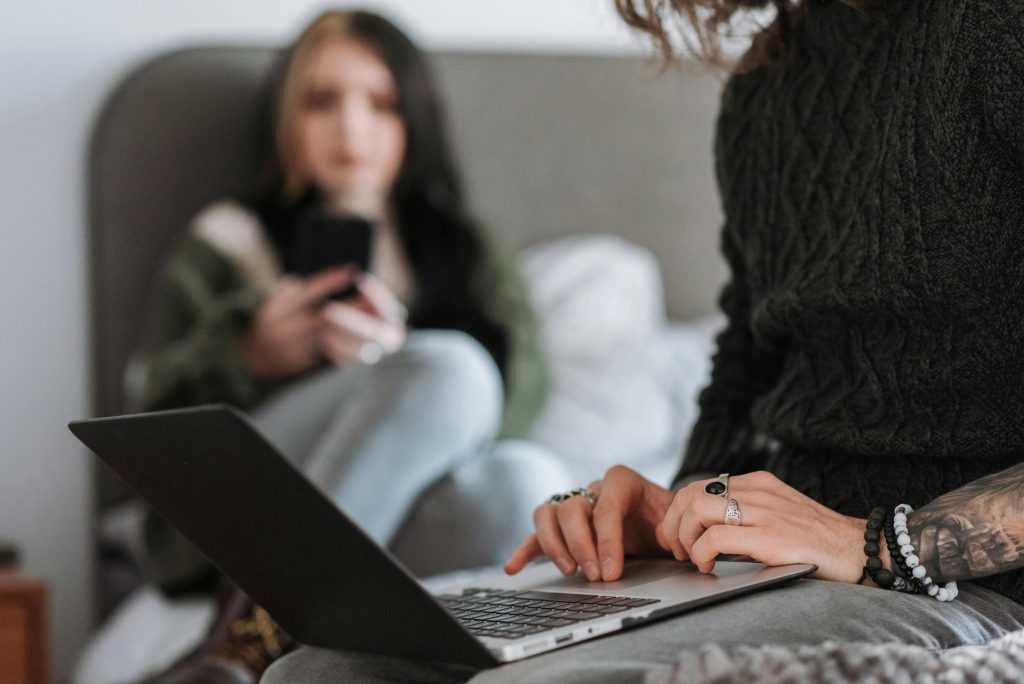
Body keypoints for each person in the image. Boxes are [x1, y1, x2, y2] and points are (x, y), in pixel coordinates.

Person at [262, 0, 1024, 681]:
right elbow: (746, 375)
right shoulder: (765, 90)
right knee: (321, 669)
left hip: (965, 585)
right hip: (775, 568)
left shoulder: (994, 31)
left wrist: (873, 544)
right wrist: (676, 514)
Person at [131, 5, 561, 636]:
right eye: (321, 101)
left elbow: (520, 396)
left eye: (381, 103)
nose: (351, 128)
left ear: (415, 119)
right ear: (285, 116)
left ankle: (288, 630)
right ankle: (256, 624)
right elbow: (152, 416)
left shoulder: (469, 251)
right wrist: (248, 354)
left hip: (395, 520)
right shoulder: (226, 243)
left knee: (529, 479)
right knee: (453, 368)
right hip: (254, 511)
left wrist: (400, 371)